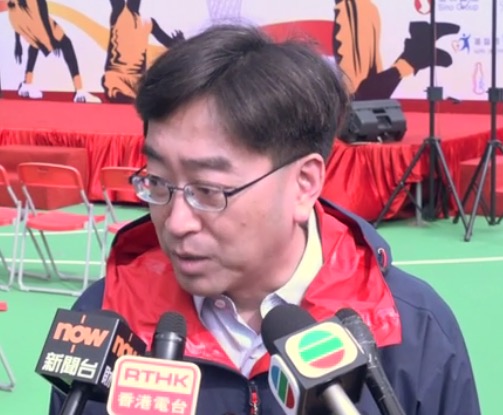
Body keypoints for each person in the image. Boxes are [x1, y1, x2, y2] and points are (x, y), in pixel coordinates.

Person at [49, 24, 480, 415]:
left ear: (304, 184)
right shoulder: (103, 321)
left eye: (209, 191)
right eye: (158, 183)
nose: (176, 223)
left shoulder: (409, 328)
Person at [6, 0, 100, 102]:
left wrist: (18, 42)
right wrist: (52, 39)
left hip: (19, 19)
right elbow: (43, 15)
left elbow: (15, 10)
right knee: (66, 43)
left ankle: (27, 84)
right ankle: (80, 91)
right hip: (32, 15)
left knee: (35, 43)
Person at [102, 0, 185, 103]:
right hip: (117, 75)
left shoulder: (149, 22)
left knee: (153, 85)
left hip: (139, 80)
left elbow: (169, 43)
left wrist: (180, 43)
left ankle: (138, 98)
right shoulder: (120, 12)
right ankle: (130, 97)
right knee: (110, 80)